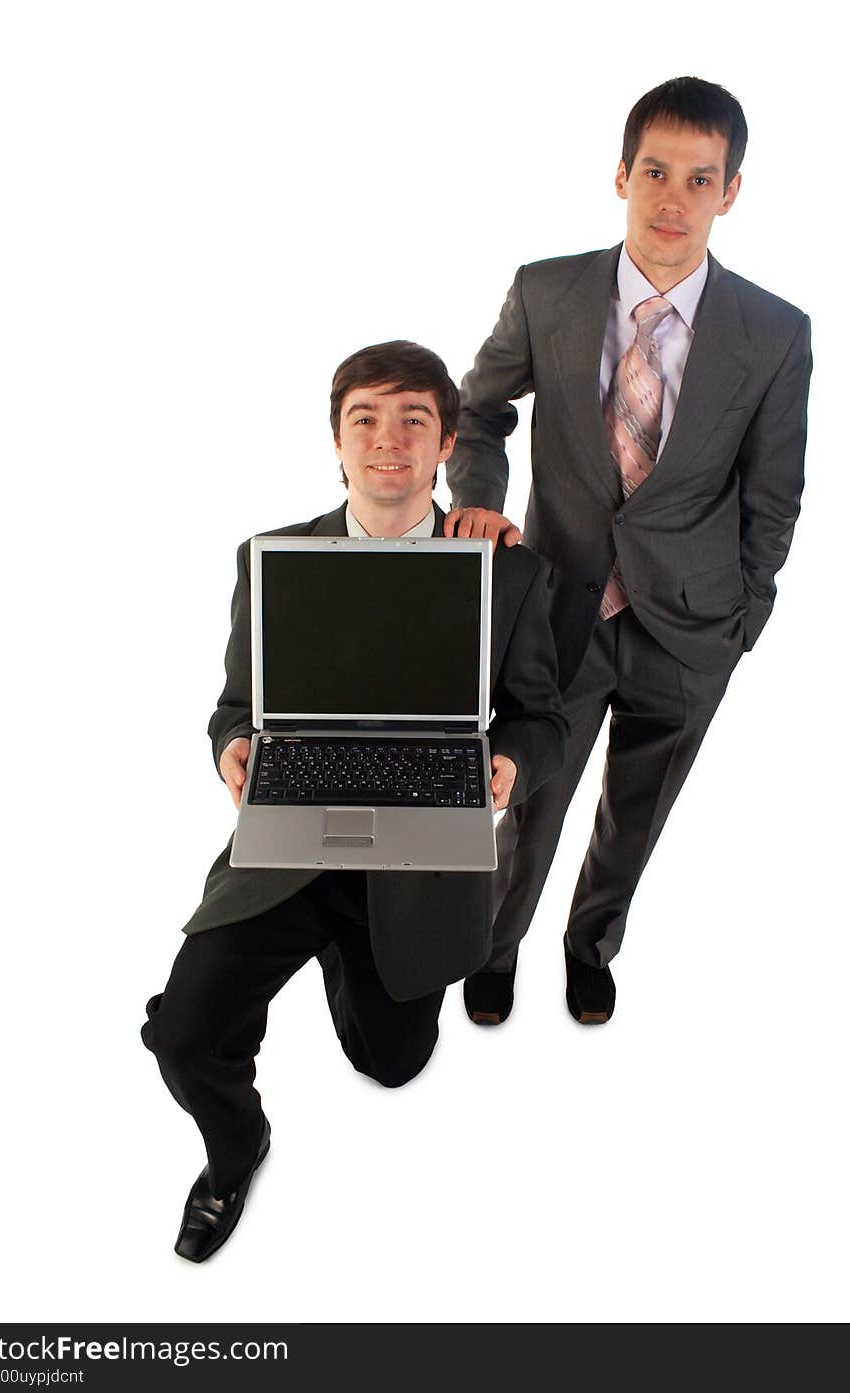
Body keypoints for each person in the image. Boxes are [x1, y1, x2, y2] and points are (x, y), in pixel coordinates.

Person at [142, 341, 567, 1262]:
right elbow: (231, 705)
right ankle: (234, 1151)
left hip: (420, 844)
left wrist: (506, 767)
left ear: (448, 442)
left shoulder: (511, 574)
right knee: (181, 1035)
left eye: (415, 419)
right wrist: (234, 747)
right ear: (336, 440)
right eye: (365, 418)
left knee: (392, 1062)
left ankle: (348, 952)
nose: (389, 440)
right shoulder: (271, 559)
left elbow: (541, 718)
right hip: (295, 836)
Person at [445, 76, 812, 1027]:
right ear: (620, 174)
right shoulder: (547, 290)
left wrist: (742, 622)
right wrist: (479, 506)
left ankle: (589, 945)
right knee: (531, 799)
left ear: (731, 192)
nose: (672, 198)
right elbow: (478, 412)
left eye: (700, 179)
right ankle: (496, 947)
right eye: (655, 171)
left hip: (691, 629)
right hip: (558, 608)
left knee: (638, 812)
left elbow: (774, 495)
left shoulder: (775, 334)